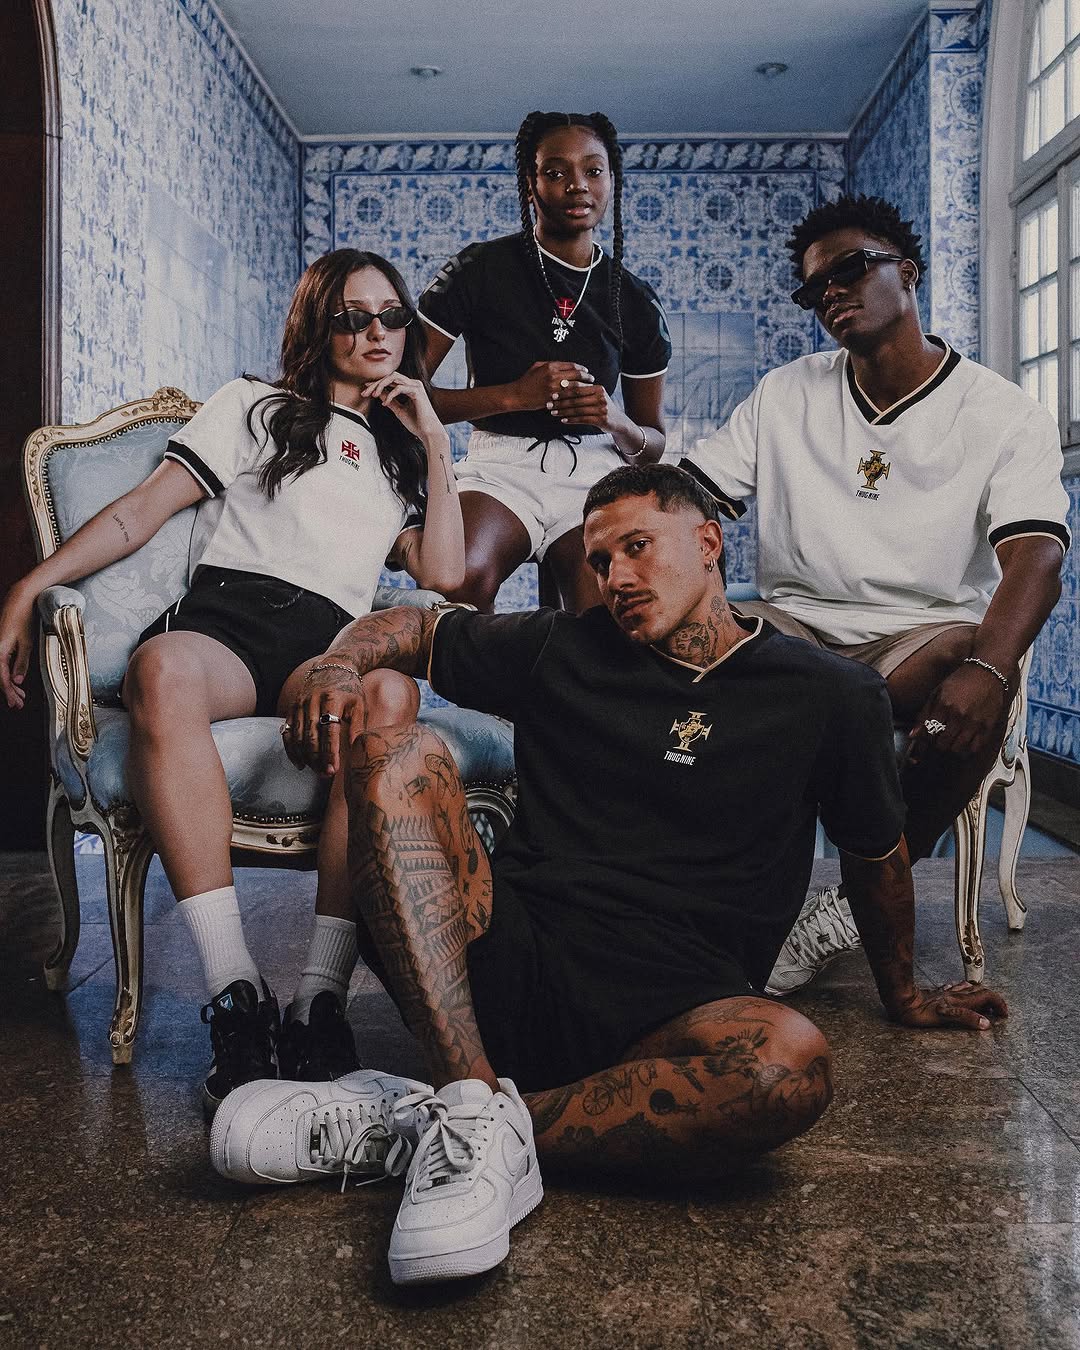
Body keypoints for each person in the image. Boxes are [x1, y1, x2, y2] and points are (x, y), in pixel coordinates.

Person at [211, 463, 1006, 1288]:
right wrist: (338, 665)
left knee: (789, 1067)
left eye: (637, 547)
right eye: (598, 561)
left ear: (708, 543)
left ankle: (434, 1124)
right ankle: (469, 1095)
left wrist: (905, 997)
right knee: (396, 756)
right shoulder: (562, 645)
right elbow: (415, 625)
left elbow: (876, 860)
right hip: (496, 963)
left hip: (672, 1011)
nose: (615, 577)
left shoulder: (831, 695)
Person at [0, 248, 465, 1111]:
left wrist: (435, 440)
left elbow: (446, 572)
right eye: (353, 316)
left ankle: (319, 1000)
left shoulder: (400, 456)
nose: (376, 332)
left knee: (392, 696)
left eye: (392, 316)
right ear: (319, 325)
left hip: (326, 646)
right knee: (161, 668)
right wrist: (31, 584)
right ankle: (235, 993)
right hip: (231, 622)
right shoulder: (256, 406)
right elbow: (141, 513)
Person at [679, 194, 1071, 995]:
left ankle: (853, 906)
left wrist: (989, 670)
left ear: (909, 273)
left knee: (977, 665)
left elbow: (1037, 555)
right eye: (814, 287)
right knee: (687, 636)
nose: (831, 291)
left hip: (916, 639)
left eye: (851, 268)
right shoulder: (787, 392)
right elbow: (687, 499)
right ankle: (703, 895)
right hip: (796, 624)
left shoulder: (1001, 412)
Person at [418, 109, 672, 613]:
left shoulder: (635, 300)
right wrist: (513, 396)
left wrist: (614, 420)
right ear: (530, 185)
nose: (577, 185)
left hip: (594, 474)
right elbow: (406, 397)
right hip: (500, 467)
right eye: (556, 172)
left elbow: (653, 444)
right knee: (458, 579)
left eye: (593, 170)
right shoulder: (480, 269)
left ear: (611, 181)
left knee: (604, 609)